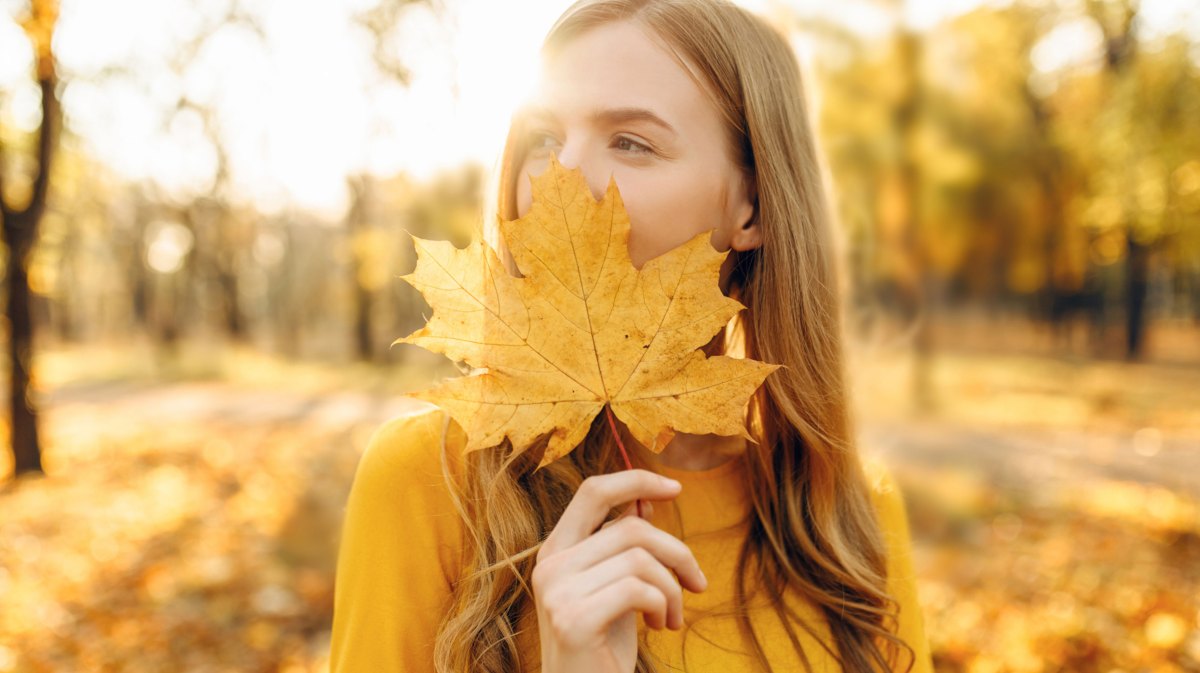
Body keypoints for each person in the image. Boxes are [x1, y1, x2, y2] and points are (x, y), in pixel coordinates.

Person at [329, 0, 934, 671]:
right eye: (544, 139)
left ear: (751, 208)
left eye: (631, 142)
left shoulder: (851, 516)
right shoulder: (431, 482)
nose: (561, 179)